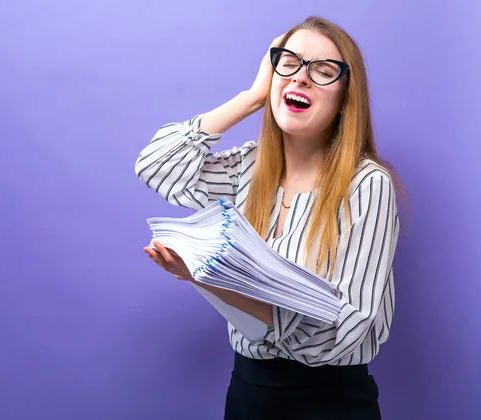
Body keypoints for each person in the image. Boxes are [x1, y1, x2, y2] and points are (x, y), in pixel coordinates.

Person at [135, 16, 400, 420]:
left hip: (332, 402)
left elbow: (337, 336)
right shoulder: (248, 170)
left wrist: (208, 280)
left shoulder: (366, 185)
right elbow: (157, 164)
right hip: (248, 396)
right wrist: (254, 95)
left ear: (346, 99)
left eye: (323, 71)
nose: (301, 79)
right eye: (289, 63)